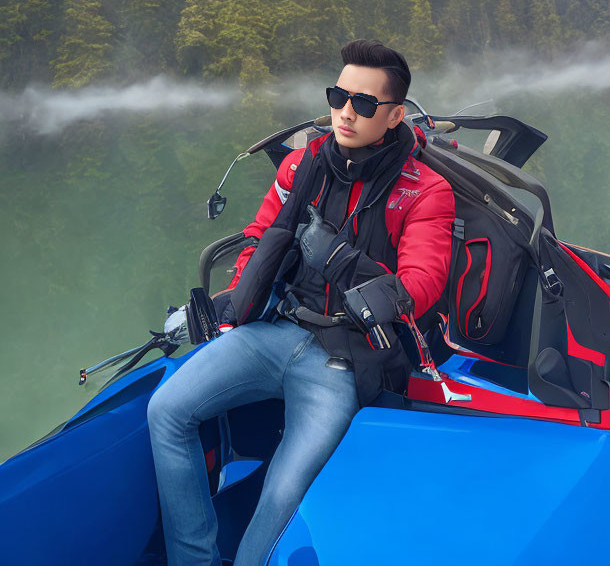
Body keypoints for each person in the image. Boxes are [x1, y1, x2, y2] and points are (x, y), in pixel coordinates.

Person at [147, 39, 455, 566]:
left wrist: (339, 259)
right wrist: (231, 301)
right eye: (339, 96)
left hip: (344, 358)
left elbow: (421, 286)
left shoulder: (426, 191)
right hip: (276, 330)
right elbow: (260, 236)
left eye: (363, 104)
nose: (344, 112)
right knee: (166, 410)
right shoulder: (302, 164)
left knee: (284, 494)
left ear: (395, 114)